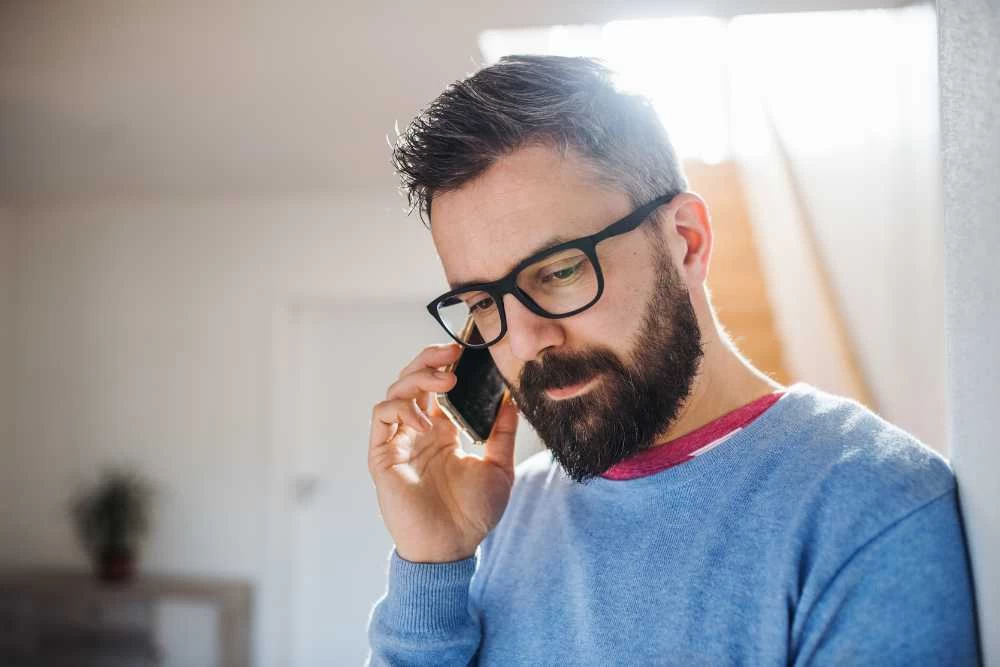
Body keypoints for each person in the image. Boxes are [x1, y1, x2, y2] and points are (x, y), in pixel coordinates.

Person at [365, 55, 980, 665]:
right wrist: (433, 568)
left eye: (559, 272)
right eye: (483, 302)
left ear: (686, 241)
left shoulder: (867, 503)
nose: (524, 342)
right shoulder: (496, 517)